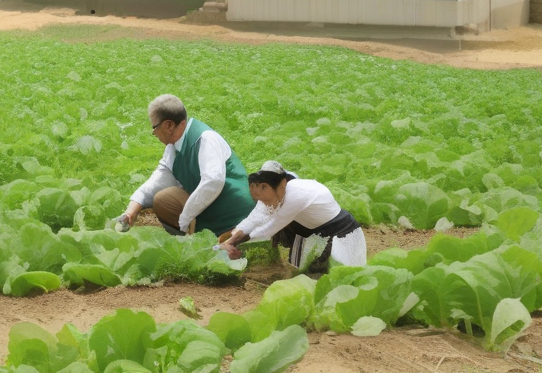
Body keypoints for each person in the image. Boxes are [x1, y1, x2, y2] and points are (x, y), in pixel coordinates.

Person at [116, 95, 255, 237]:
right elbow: (156, 183)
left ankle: (226, 234)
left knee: (169, 202)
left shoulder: (205, 139)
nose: (154, 133)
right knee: (163, 200)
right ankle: (204, 234)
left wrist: (185, 218)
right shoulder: (173, 148)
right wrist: (131, 211)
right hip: (212, 207)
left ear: (169, 125)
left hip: (236, 211)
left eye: (155, 127)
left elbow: (214, 181)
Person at [218, 161, 367, 271]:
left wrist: (234, 244)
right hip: (308, 231)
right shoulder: (270, 194)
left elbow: (268, 230)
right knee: (300, 271)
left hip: (341, 230)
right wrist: (231, 240)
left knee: (341, 274)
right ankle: (294, 262)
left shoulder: (295, 195)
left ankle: (319, 259)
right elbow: (253, 219)